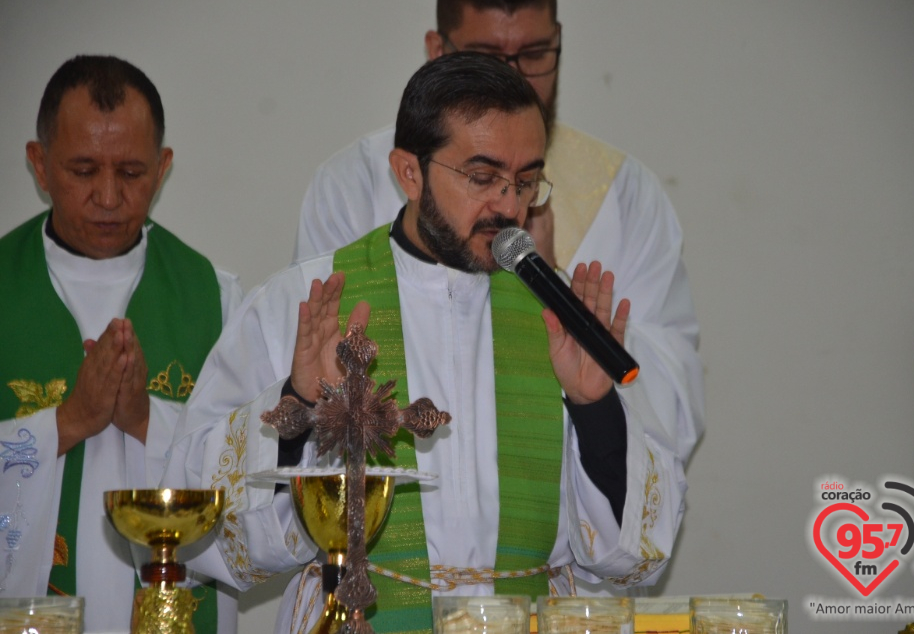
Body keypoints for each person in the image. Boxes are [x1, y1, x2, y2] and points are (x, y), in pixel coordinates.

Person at [166, 52, 688, 634]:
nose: (510, 206)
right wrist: (300, 401)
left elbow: (637, 555)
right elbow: (200, 523)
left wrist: (595, 412)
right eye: (483, 177)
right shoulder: (305, 304)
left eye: (525, 181)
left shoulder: (562, 317)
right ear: (409, 172)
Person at [0, 55, 242, 633]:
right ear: (39, 164)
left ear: (162, 169)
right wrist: (67, 421)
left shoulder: (218, 298)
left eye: (131, 173)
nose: (108, 197)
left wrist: (145, 419)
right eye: (83, 170)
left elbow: (249, 481)